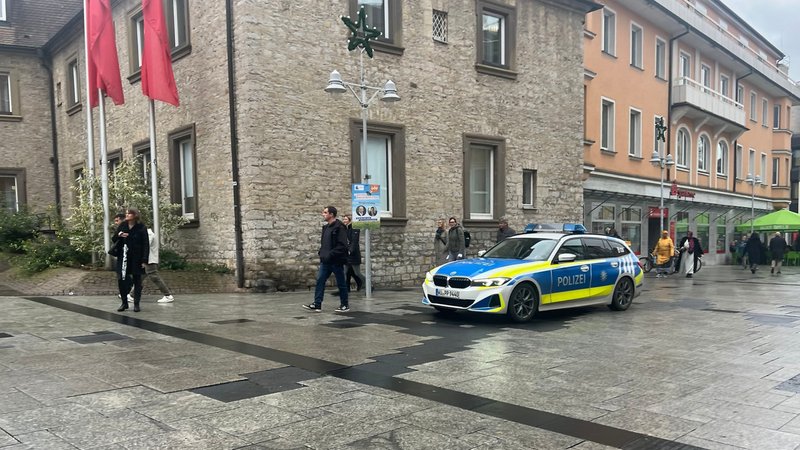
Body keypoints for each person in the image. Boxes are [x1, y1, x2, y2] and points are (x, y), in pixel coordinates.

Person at [303, 206, 349, 313]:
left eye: (325, 212)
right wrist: (321, 252)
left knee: (341, 282)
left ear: (331, 214)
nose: (323, 214)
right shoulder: (326, 227)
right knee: (320, 281)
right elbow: (324, 243)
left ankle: (344, 304)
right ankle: (317, 304)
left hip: (336, 261)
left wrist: (330, 254)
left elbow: (342, 245)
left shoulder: (340, 227)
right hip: (325, 260)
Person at [114, 208, 149, 312]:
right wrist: (119, 235)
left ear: (135, 215)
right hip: (123, 256)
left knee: (137, 280)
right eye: (126, 213)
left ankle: (136, 303)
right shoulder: (123, 225)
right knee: (121, 279)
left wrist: (144, 259)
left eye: (129, 213)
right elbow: (114, 238)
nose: (127, 215)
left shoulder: (141, 227)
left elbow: (145, 244)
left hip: (136, 257)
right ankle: (124, 303)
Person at [144, 227, 176, 303]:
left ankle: (168, 295)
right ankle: (131, 295)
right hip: (147, 259)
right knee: (139, 277)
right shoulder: (147, 234)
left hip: (150, 260)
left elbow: (145, 246)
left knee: (154, 277)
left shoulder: (149, 234)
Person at [337, 214, 363, 293]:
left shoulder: (354, 228)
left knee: (357, 273)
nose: (344, 221)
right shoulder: (345, 228)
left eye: (346, 219)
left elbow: (354, 242)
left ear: (350, 220)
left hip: (353, 255)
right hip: (346, 255)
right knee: (345, 272)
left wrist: (350, 251)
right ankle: (344, 289)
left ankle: (367, 284)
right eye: (343, 219)